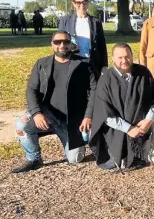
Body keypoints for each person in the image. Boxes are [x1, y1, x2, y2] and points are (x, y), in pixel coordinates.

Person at [12, 31, 97, 173]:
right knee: (21, 124)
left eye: (65, 42)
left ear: (71, 44)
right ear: (52, 44)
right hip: (47, 116)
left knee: (75, 158)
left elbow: (95, 90)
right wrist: (37, 113)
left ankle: (78, 142)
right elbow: (31, 90)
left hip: (72, 121)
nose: (62, 45)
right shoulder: (42, 64)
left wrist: (88, 116)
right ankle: (34, 159)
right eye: (57, 42)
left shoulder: (84, 64)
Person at [89, 43, 154, 170]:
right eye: (120, 57)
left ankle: (153, 156)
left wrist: (148, 120)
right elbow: (104, 113)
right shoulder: (106, 79)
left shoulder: (143, 72)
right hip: (118, 129)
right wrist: (128, 128)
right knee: (118, 162)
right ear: (113, 58)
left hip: (143, 124)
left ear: (132, 56)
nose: (124, 61)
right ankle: (122, 154)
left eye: (127, 57)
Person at [59, 0, 108, 78]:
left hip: (92, 63)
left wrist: (104, 67)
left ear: (88, 3)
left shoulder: (96, 22)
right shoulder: (65, 21)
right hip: (72, 62)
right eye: (78, 2)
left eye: (84, 2)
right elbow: (60, 43)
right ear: (74, 4)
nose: (82, 5)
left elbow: (102, 46)